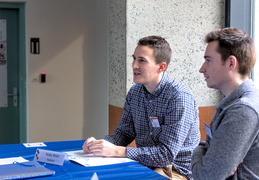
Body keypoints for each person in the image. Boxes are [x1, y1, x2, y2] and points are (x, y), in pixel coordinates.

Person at [82, 35, 200, 180]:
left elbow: (166, 155)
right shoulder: (135, 92)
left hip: (176, 170)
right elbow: (125, 132)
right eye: (134, 58)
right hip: (144, 164)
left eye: (142, 60)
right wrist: (101, 145)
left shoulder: (179, 96)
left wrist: (119, 151)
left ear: (161, 67)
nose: (134, 65)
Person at [191, 27, 259, 179]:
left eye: (208, 60)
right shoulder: (233, 102)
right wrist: (207, 152)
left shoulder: (243, 110)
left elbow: (206, 176)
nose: (202, 69)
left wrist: (199, 149)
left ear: (230, 63)